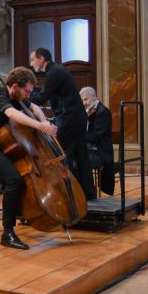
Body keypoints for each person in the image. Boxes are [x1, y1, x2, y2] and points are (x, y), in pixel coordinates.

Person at [0, 67, 57, 250]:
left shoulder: (17, 98)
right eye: (26, 91)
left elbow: (34, 108)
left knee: (20, 177)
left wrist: (44, 121)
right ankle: (7, 233)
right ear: (15, 86)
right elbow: (12, 114)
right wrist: (41, 127)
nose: (27, 95)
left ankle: (20, 214)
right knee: (13, 179)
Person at [29, 47, 96, 200]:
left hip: (70, 119)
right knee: (81, 156)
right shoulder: (57, 70)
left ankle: (69, 195)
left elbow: (41, 98)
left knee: (62, 156)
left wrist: (22, 97)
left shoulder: (54, 73)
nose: (31, 64)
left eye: (33, 60)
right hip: (77, 118)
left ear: (41, 58)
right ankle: (87, 194)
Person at [80, 86, 116, 195]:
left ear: (95, 97)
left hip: (101, 153)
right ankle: (83, 192)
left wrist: (78, 136)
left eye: (86, 99)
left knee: (81, 163)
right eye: (81, 100)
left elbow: (94, 136)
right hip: (90, 150)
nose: (84, 103)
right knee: (73, 160)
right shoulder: (88, 111)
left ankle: (89, 192)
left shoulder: (102, 112)